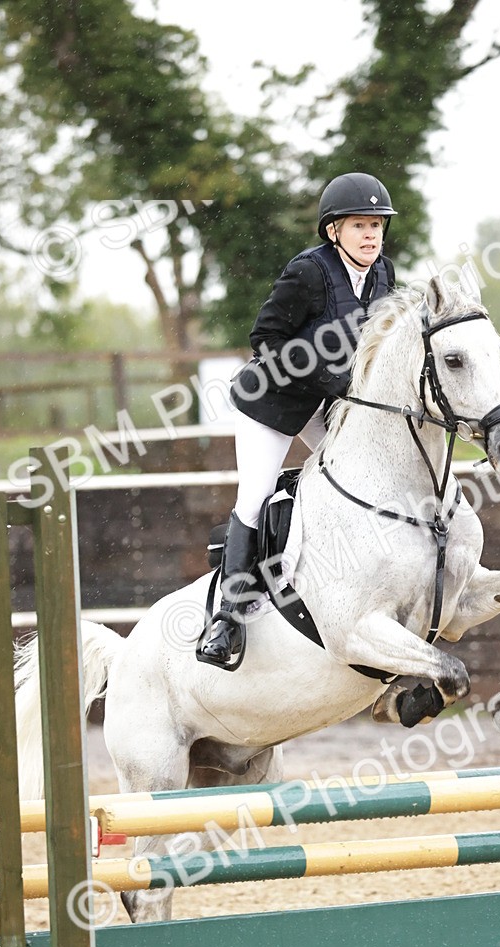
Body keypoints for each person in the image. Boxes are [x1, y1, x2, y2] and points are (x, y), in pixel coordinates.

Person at [196, 171, 397, 668]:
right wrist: (323, 379)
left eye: (376, 226)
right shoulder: (309, 272)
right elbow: (264, 337)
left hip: (327, 405)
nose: (371, 235)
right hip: (273, 404)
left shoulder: (384, 275)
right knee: (255, 494)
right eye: (359, 226)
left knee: (367, 477)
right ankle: (228, 618)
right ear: (334, 231)